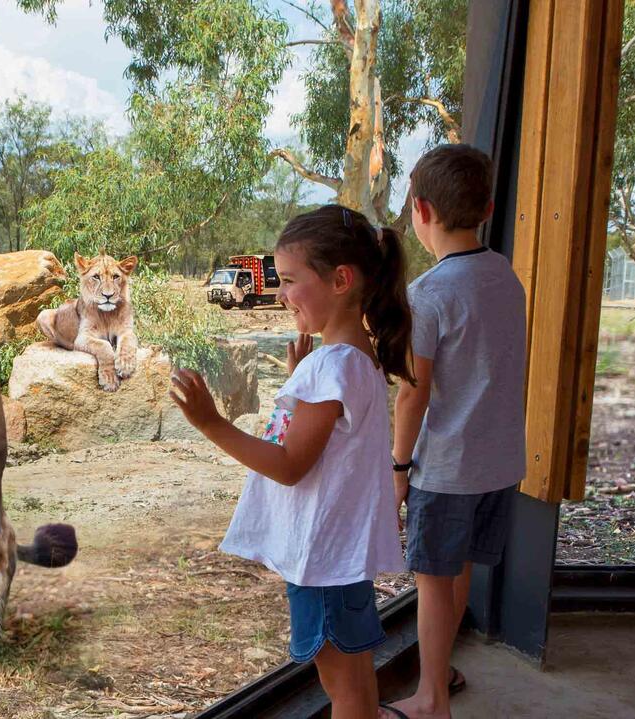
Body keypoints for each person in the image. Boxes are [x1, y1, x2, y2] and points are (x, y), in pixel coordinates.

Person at [172, 204, 413, 719]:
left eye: (288, 280)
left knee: (341, 685)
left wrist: (211, 422)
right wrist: (304, 374)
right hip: (339, 556)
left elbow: (289, 466)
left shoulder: (333, 366)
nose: (280, 294)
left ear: (341, 279)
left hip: (325, 561)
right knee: (353, 676)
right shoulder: (354, 356)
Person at [390, 144, 527, 719]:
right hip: (499, 465)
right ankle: (440, 671)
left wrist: (398, 467)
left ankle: (429, 700)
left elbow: (412, 392)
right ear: (489, 207)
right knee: (459, 568)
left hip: (446, 468)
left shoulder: (428, 295)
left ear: (420, 211)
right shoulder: (506, 277)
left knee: (430, 578)